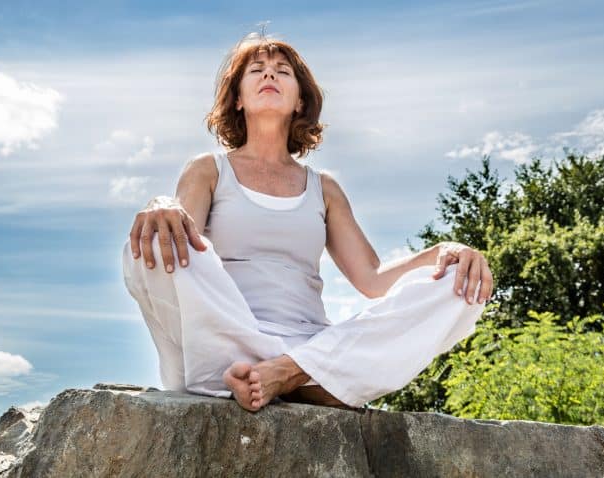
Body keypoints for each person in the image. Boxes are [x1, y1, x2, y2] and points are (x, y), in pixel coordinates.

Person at [122, 32, 493, 413]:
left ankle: (288, 373)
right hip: (226, 337)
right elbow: (182, 243)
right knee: (153, 236)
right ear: (237, 98)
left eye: (282, 71)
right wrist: (161, 204)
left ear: (300, 100)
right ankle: (297, 378)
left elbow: (373, 279)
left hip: (310, 345)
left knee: (457, 284)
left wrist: (445, 252)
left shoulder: (324, 188)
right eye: (257, 70)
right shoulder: (208, 170)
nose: (269, 76)